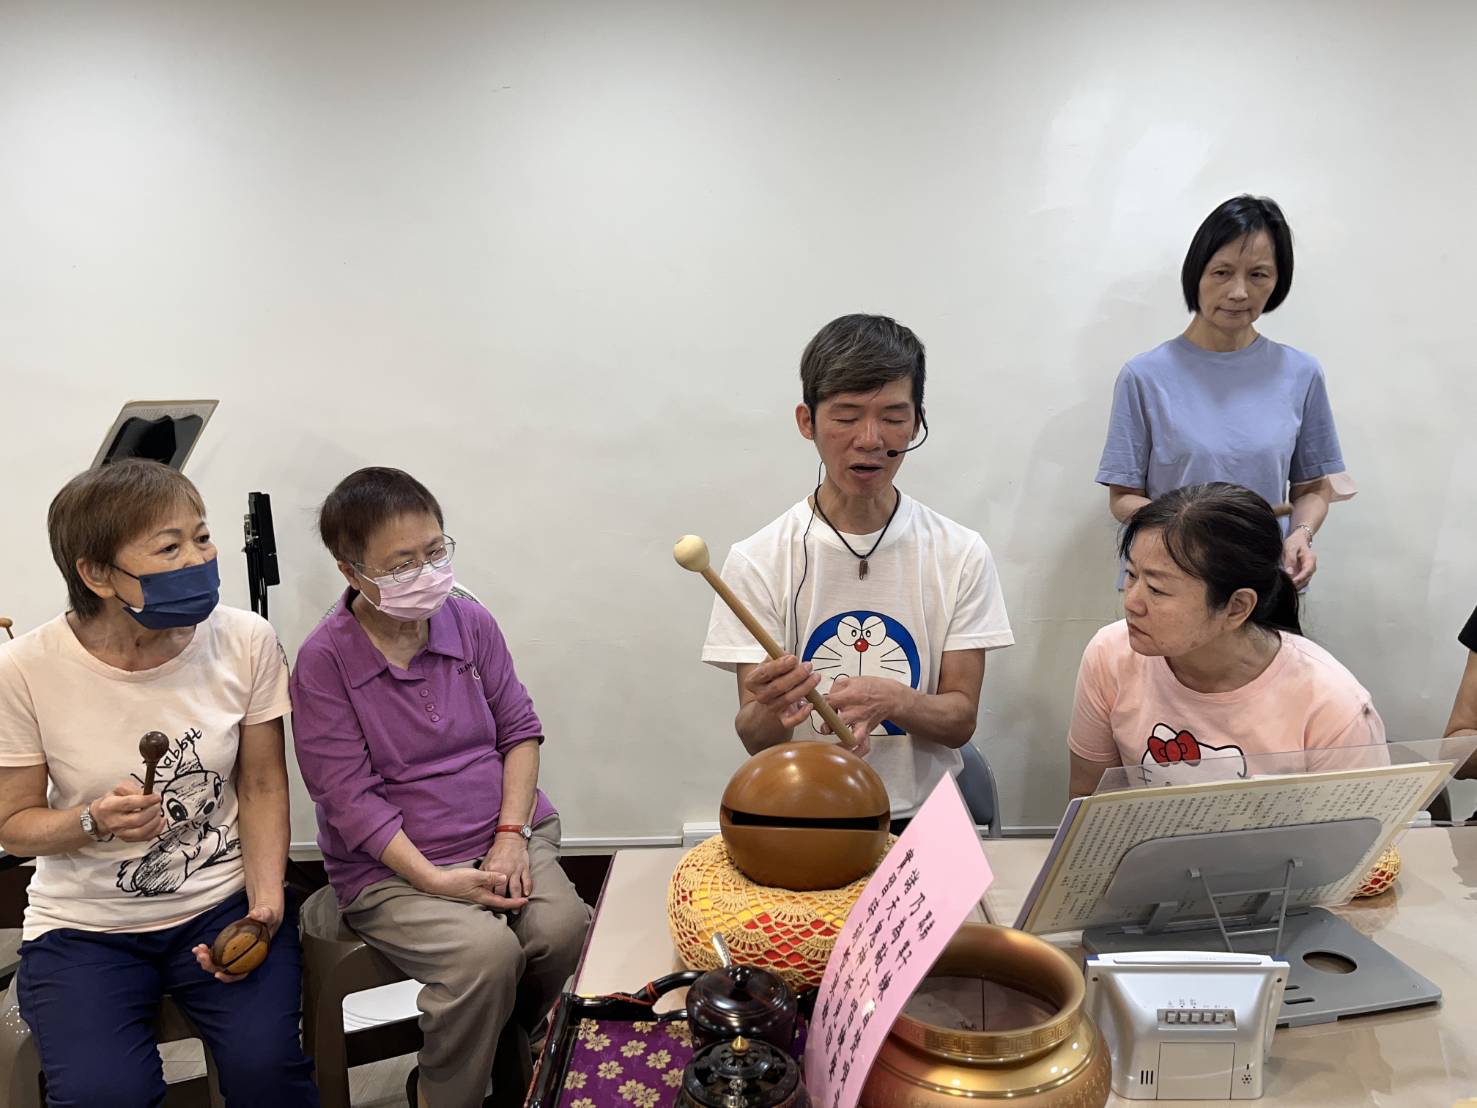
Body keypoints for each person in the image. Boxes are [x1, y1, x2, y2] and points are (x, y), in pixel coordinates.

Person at [0, 459, 317, 1106]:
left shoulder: (245, 640)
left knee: (268, 1072)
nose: (199, 558)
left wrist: (264, 907)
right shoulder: (24, 669)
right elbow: (14, 826)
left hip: (222, 902)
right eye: (170, 548)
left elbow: (262, 785)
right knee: (102, 1094)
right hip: (85, 928)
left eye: (202, 537)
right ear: (96, 574)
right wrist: (90, 821)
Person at [290, 467, 590, 1108]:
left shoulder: (469, 622)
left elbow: (521, 734)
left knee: (562, 929)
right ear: (352, 573)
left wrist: (510, 836)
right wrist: (432, 879)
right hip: (392, 871)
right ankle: (443, 1093)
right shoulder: (324, 662)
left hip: (503, 833)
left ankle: (510, 1045)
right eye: (401, 564)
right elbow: (348, 799)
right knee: (484, 957)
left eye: (435, 551)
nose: (425, 573)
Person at [701, 314, 1014, 824]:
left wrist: (896, 700)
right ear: (807, 422)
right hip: (802, 817)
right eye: (846, 416)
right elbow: (756, 739)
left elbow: (960, 721)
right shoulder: (758, 559)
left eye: (893, 417)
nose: (869, 439)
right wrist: (772, 707)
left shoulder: (960, 552)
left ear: (917, 423)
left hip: (924, 819)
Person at [1096, 195, 1354, 588]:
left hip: (1261, 580)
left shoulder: (1301, 374)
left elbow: (1312, 487)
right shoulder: (1144, 376)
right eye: (1222, 272)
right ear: (1196, 273)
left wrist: (1300, 534)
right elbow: (1123, 498)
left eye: (1259, 275)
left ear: (1278, 281)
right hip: (1167, 581)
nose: (1238, 292)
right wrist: (1191, 531)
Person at [1069, 482, 1386, 799]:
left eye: (1157, 589)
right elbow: (1088, 803)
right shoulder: (1110, 654)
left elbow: (1356, 828)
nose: (1131, 603)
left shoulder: (1332, 705)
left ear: (1236, 607)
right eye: (1132, 575)